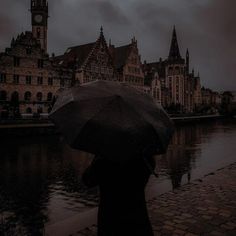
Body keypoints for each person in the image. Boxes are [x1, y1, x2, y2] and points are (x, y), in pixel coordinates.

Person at [82, 153, 156, 236]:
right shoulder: (143, 155)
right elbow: (151, 166)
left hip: (110, 218)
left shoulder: (105, 157)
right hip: (137, 216)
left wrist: (94, 161)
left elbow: (88, 180)